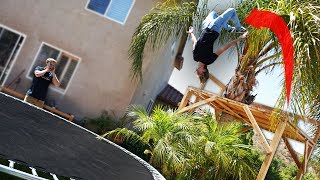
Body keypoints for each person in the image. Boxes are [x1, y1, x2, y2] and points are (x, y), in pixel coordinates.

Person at [187, 8, 248, 83]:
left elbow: (195, 42)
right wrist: (240, 38)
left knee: (213, 13)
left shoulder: (195, 57)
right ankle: (238, 28)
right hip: (214, 28)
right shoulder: (209, 60)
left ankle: (229, 28)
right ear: (204, 70)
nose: (196, 71)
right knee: (232, 11)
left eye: (196, 73)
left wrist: (191, 33)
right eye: (199, 73)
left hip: (206, 26)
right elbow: (224, 48)